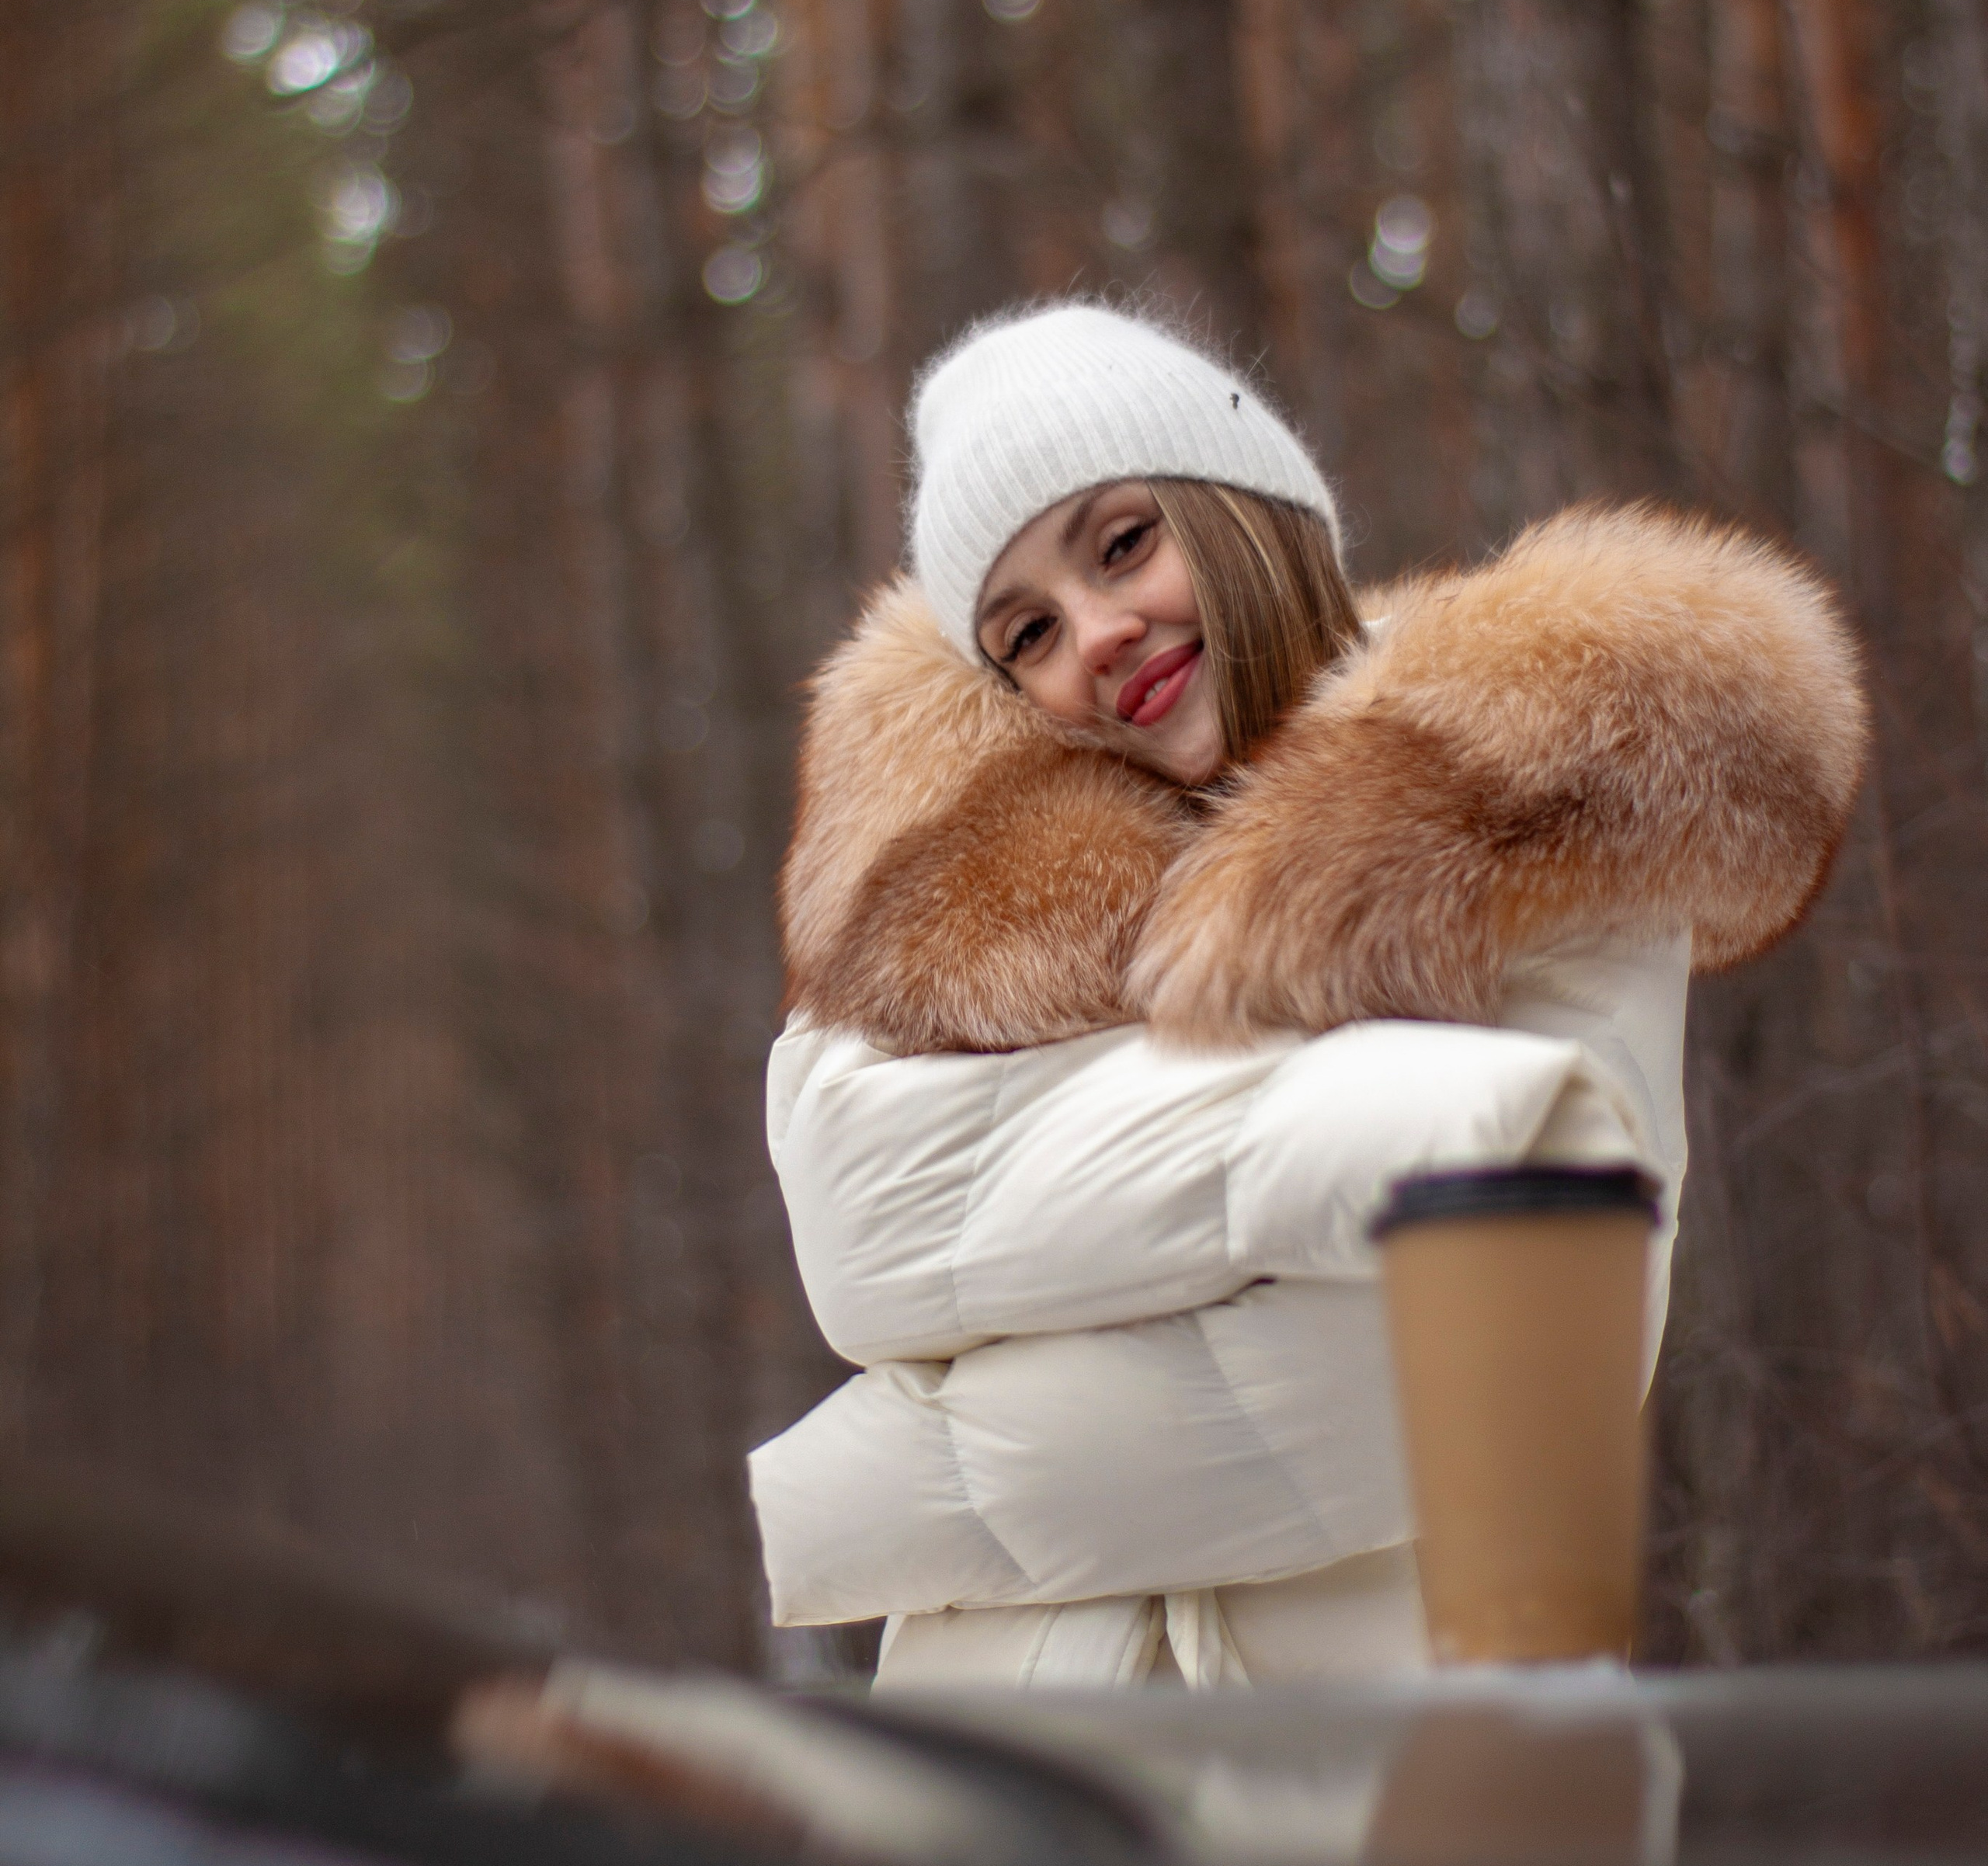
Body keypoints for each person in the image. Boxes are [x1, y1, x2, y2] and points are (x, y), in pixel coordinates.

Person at [749, 304, 1867, 1689]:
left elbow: (1471, 1387)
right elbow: (861, 1237)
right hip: (1007, 1799)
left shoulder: (1523, 799)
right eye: (1026, 630)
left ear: (1246, 504)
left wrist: (895, 1487)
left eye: (1122, 543)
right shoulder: (958, 911)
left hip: (1396, 1807)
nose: (1096, 634)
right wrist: (1351, 1127)